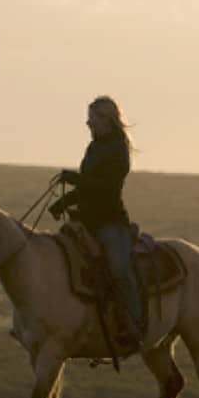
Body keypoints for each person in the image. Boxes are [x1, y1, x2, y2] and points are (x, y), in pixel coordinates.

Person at [48, 96, 142, 349]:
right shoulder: (94, 148)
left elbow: (106, 188)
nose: (88, 123)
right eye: (89, 118)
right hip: (87, 220)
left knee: (119, 269)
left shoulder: (118, 150)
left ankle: (135, 324)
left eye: (93, 118)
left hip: (110, 222)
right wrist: (64, 203)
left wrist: (74, 180)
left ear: (107, 120)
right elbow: (89, 186)